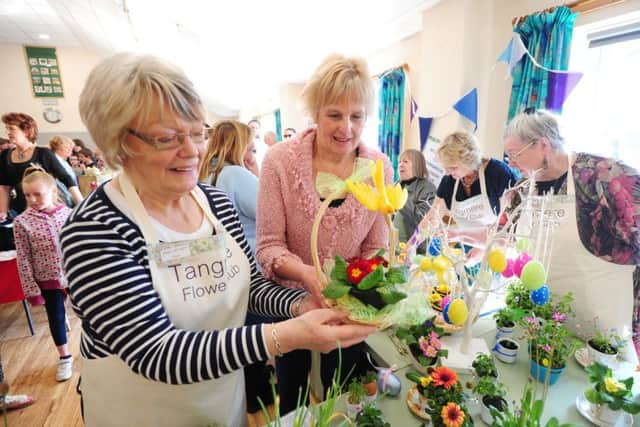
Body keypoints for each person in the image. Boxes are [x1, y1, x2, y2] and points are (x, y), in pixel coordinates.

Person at [62, 52, 375, 427]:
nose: (193, 151)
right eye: (167, 138)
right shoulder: (95, 230)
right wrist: (284, 337)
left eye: (197, 133)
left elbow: (248, 288)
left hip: (219, 403)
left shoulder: (215, 204)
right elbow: (157, 353)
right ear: (119, 142)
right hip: (141, 412)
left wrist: (299, 307)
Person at [256, 53, 392, 414]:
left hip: (350, 305)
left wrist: (356, 286)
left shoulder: (378, 166)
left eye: (356, 116)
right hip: (291, 306)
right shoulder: (280, 162)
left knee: (343, 392)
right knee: (293, 393)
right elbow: (268, 246)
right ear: (315, 112)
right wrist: (305, 274)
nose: (346, 128)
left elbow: (377, 244)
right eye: (334, 114)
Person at [503, 109, 640, 362]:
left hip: (604, 333)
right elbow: (504, 234)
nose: (511, 163)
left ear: (543, 145)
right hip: (546, 325)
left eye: (515, 155)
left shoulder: (604, 177)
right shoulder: (524, 189)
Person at [200, 119, 270, 413]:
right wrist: (258, 176)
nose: (253, 154)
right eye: (251, 148)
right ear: (239, 146)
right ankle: (259, 394)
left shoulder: (209, 172)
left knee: (237, 327)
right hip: (250, 260)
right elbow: (268, 212)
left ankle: (250, 387)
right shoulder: (236, 175)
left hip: (222, 264)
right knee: (254, 327)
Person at [14, 167, 74, 381]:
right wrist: (31, 289)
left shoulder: (68, 214)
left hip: (73, 275)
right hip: (47, 280)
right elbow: (23, 258)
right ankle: (65, 356)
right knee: (56, 317)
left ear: (52, 191)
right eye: (27, 195)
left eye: (37, 194)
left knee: (87, 312)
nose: (32, 199)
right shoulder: (22, 222)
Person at [420, 131, 518, 230]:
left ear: (468, 161)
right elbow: (431, 217)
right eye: (446, 167)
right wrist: (411, 244)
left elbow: (507, 227)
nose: (448, 173)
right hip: (461, 241)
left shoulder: (499, 174)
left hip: (493, 242)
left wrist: (472, 241)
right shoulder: (449, 180)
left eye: (453, 167)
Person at [0, 113, 82, 220]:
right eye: (7, 129)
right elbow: (4, 186)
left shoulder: (43, 153)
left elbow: (67, 179)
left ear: (26, 131)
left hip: (46, 209)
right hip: (20, 211)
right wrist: (3, 211)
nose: (8, 133)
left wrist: (81, 205)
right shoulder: (6, 155)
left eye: (12, 129)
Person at [394, 149, 437, 248]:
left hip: (415, 248)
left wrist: (399, 202)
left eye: (405, 161)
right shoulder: (396, 185)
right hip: (394, 245)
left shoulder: (427, 187)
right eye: (399, 162)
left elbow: (422, 219)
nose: (401, 164)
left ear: (417, 165)